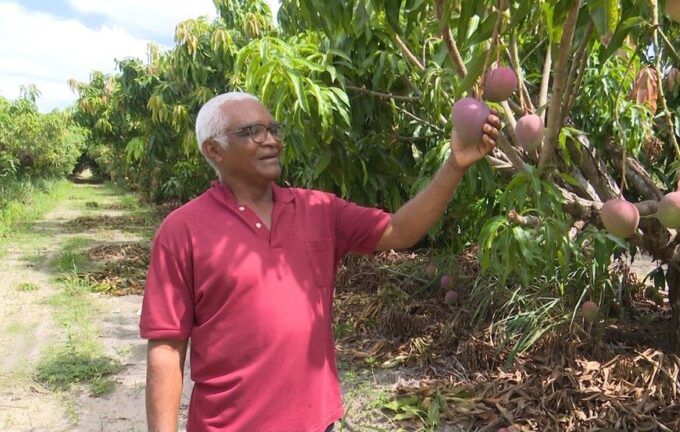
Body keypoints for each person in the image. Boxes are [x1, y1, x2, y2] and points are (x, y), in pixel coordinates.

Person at [139, 91, 500, 432]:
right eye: (253, 132)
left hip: (314, 421)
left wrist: (455, 164)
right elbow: (167, 347)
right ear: (214, 150)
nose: (271, 140)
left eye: (273, 129)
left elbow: (400, 230)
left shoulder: (318, 209)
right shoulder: (183, 230)